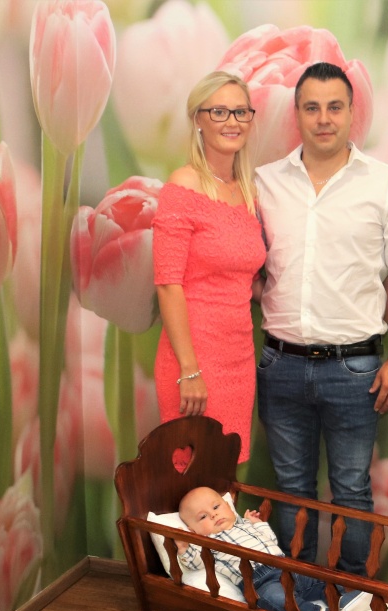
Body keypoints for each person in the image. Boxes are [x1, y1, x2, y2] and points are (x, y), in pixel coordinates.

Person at [255, 62, 388, 575]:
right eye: (312, 108)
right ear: (297, 114)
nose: (323, 118)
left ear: (352, 113)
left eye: (335, 107)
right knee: (292, 491)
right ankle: (296, 597)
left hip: (355, 370)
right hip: (280, 366)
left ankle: (351, 600)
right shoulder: (264, 183)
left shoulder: (386, 184)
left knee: (351, 491)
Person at [154, 71, 267, 463]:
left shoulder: (248, 193)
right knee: (191, 480)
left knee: (225, 478)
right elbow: (167, 283)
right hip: (193, 362)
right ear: (198, 120)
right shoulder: (182, 186)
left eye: (240, 112)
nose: (232, 121)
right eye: (219, 112)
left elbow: (246, 281)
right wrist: (189, 370)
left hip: (239, 360)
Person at [176, 487, 364, 611]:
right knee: (277, 599)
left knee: (321, 579)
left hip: (286, 566)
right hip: (260, 581)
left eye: (216, 506)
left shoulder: (245, 525)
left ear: (228, 506)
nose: (213, 515)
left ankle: (344, 600)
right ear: (193, 530)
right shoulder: (209, 544)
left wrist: (258, 524)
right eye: (203, 517)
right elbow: (197, 563)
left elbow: (271, 540)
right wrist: (184, 547)